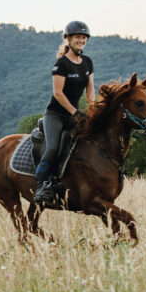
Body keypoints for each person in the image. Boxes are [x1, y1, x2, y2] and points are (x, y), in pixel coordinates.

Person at [33, 20, 96, 206]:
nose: (81, 40)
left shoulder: (87, 62)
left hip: (74, 114)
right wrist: (75, 113)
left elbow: (90, 90)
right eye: (78, 37)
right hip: (56, 115)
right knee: (53, 147)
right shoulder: (61, 64)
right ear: (68, 39)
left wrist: (92, 110)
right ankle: (42, 182)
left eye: (84, 37)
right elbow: (58, 93)